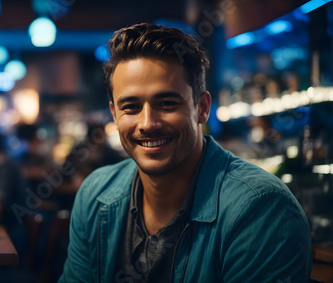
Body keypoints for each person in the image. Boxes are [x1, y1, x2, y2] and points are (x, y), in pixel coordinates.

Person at [59, 23, 311, 283]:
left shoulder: (261, 209)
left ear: (201, 108)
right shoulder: (95, 196)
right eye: (131, 107)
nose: (147, 123)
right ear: (114, 114)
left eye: (167, 103)